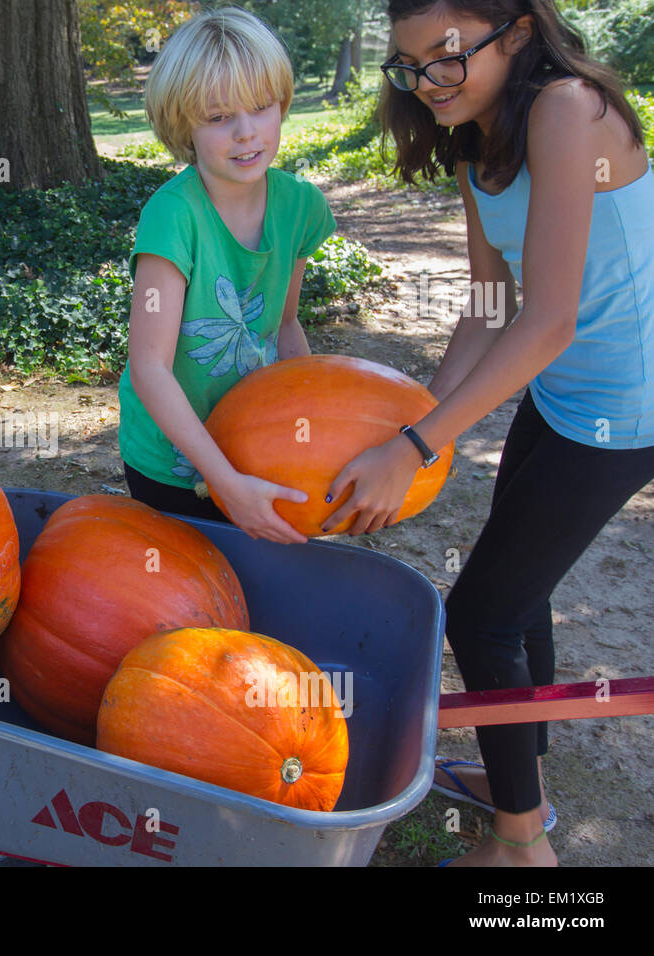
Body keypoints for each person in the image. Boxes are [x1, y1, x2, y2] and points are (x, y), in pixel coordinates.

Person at [326, 0, 654, 866]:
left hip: (627, 410)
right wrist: (414, 420)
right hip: (561, 399)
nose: (424, 81)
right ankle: (525, 784)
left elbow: (549, 321)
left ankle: (520, 850)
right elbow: (488, 301)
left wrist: (417, 447)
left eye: (444, 57)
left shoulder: (568, 109)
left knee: (479, 614)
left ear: (514, 33)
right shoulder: (478, 133)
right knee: (519, 595)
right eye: (408, 65)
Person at [118, 7, 336, 544]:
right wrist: (224, 483)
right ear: (182, 126)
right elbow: (148, 367)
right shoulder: (174, 215)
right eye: (218, 117)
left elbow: (285, 328)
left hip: (254, 443)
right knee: (194, 594)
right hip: (171, 462)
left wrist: (314, 433)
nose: (246, 133)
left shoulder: (299, 204)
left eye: (261, 108)